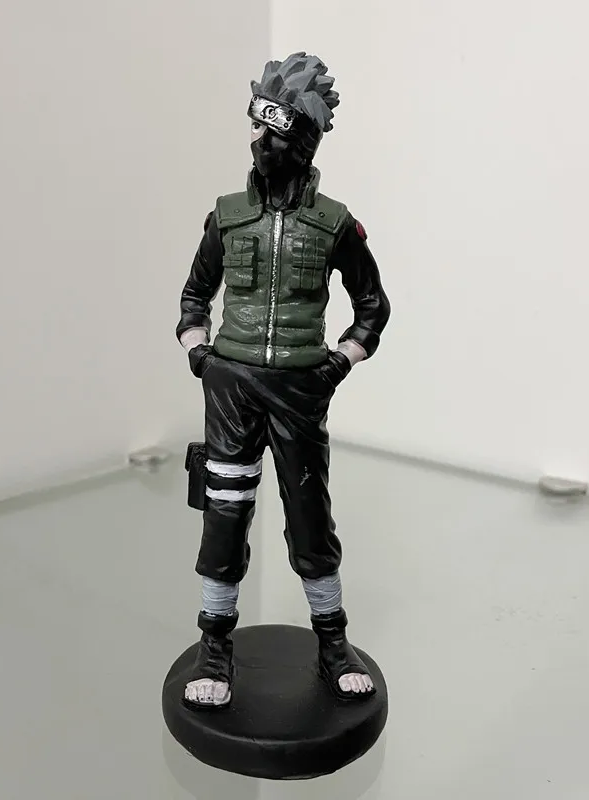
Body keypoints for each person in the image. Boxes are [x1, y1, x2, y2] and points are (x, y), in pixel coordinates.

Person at [176, 52, 391, 708]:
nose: (258, 142)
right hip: (231, 391)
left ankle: (332, 641)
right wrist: (200, 354)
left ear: (302, 140)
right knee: (224, 514)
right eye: (255, 127)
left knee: (309, 516)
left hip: (300, 391)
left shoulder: (334, 223)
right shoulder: (226, 215)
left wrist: (338, 363)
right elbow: (194, 296)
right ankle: (214, 645)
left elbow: (373, 306)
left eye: (272, 130)